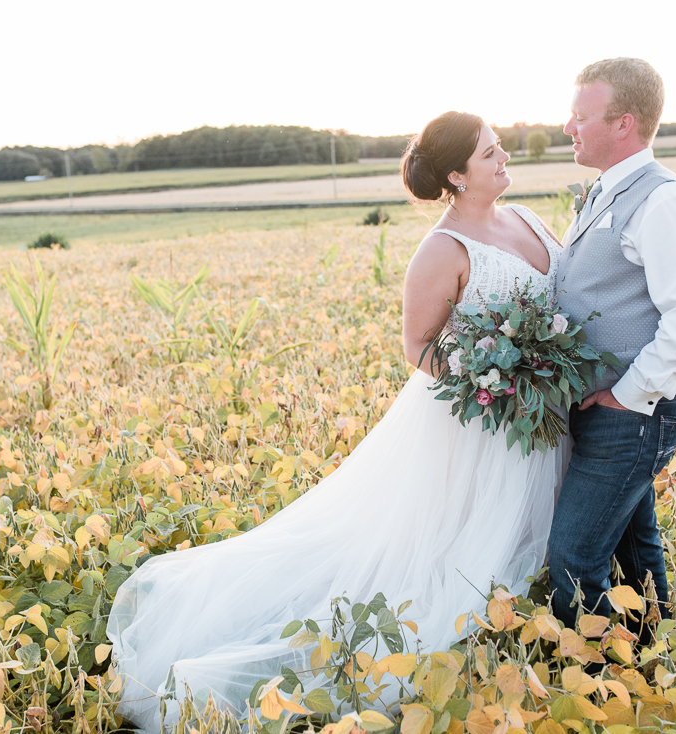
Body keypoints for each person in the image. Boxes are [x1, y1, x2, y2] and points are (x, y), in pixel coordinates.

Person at [107, 111, 568, 729]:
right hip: (480, 422)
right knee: (453, 552)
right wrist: (494, 381)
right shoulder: (442, 249)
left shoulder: (529, 218)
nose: (505, 157)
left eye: (499, 147)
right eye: (491, 154)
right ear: (458, 175)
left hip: (545, 411)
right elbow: (419, 346)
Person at [549, 58, 676, 641]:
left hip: (636, 411)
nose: (567, 127)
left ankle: (599, 676)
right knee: (631, 539)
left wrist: (629, 395)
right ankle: (656, 645)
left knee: (573, 557)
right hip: (613, 407)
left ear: (623, 123)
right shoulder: (608, 191)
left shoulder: (666, 202)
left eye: (580, 116)